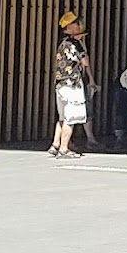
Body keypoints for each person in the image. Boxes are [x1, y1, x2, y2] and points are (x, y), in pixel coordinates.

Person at [49, 10, 94, 158]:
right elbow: (85, 62)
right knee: (71, 117)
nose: (80, 25)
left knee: (62, 116)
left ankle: (55, 144)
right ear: (69, 27)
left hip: (60, 83)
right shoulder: (76, 43)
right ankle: (64, 148)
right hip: (72, 83)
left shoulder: (62, 43)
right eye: (77, 23)